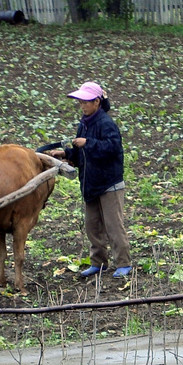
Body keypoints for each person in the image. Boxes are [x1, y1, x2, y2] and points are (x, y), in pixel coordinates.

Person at [48, 81, 131, 279]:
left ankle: (123, 263)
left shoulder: (106, 124)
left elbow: (113, 149)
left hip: (108, 183)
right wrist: (65, 153)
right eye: (80, 102)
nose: (82, 106)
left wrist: (89, 143)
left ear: (96, 102)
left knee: (113, 225)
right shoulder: (83, 125)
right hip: (90, 183)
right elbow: (80, 154)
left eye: (86, 102)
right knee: (92, 226)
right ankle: (98, 263)